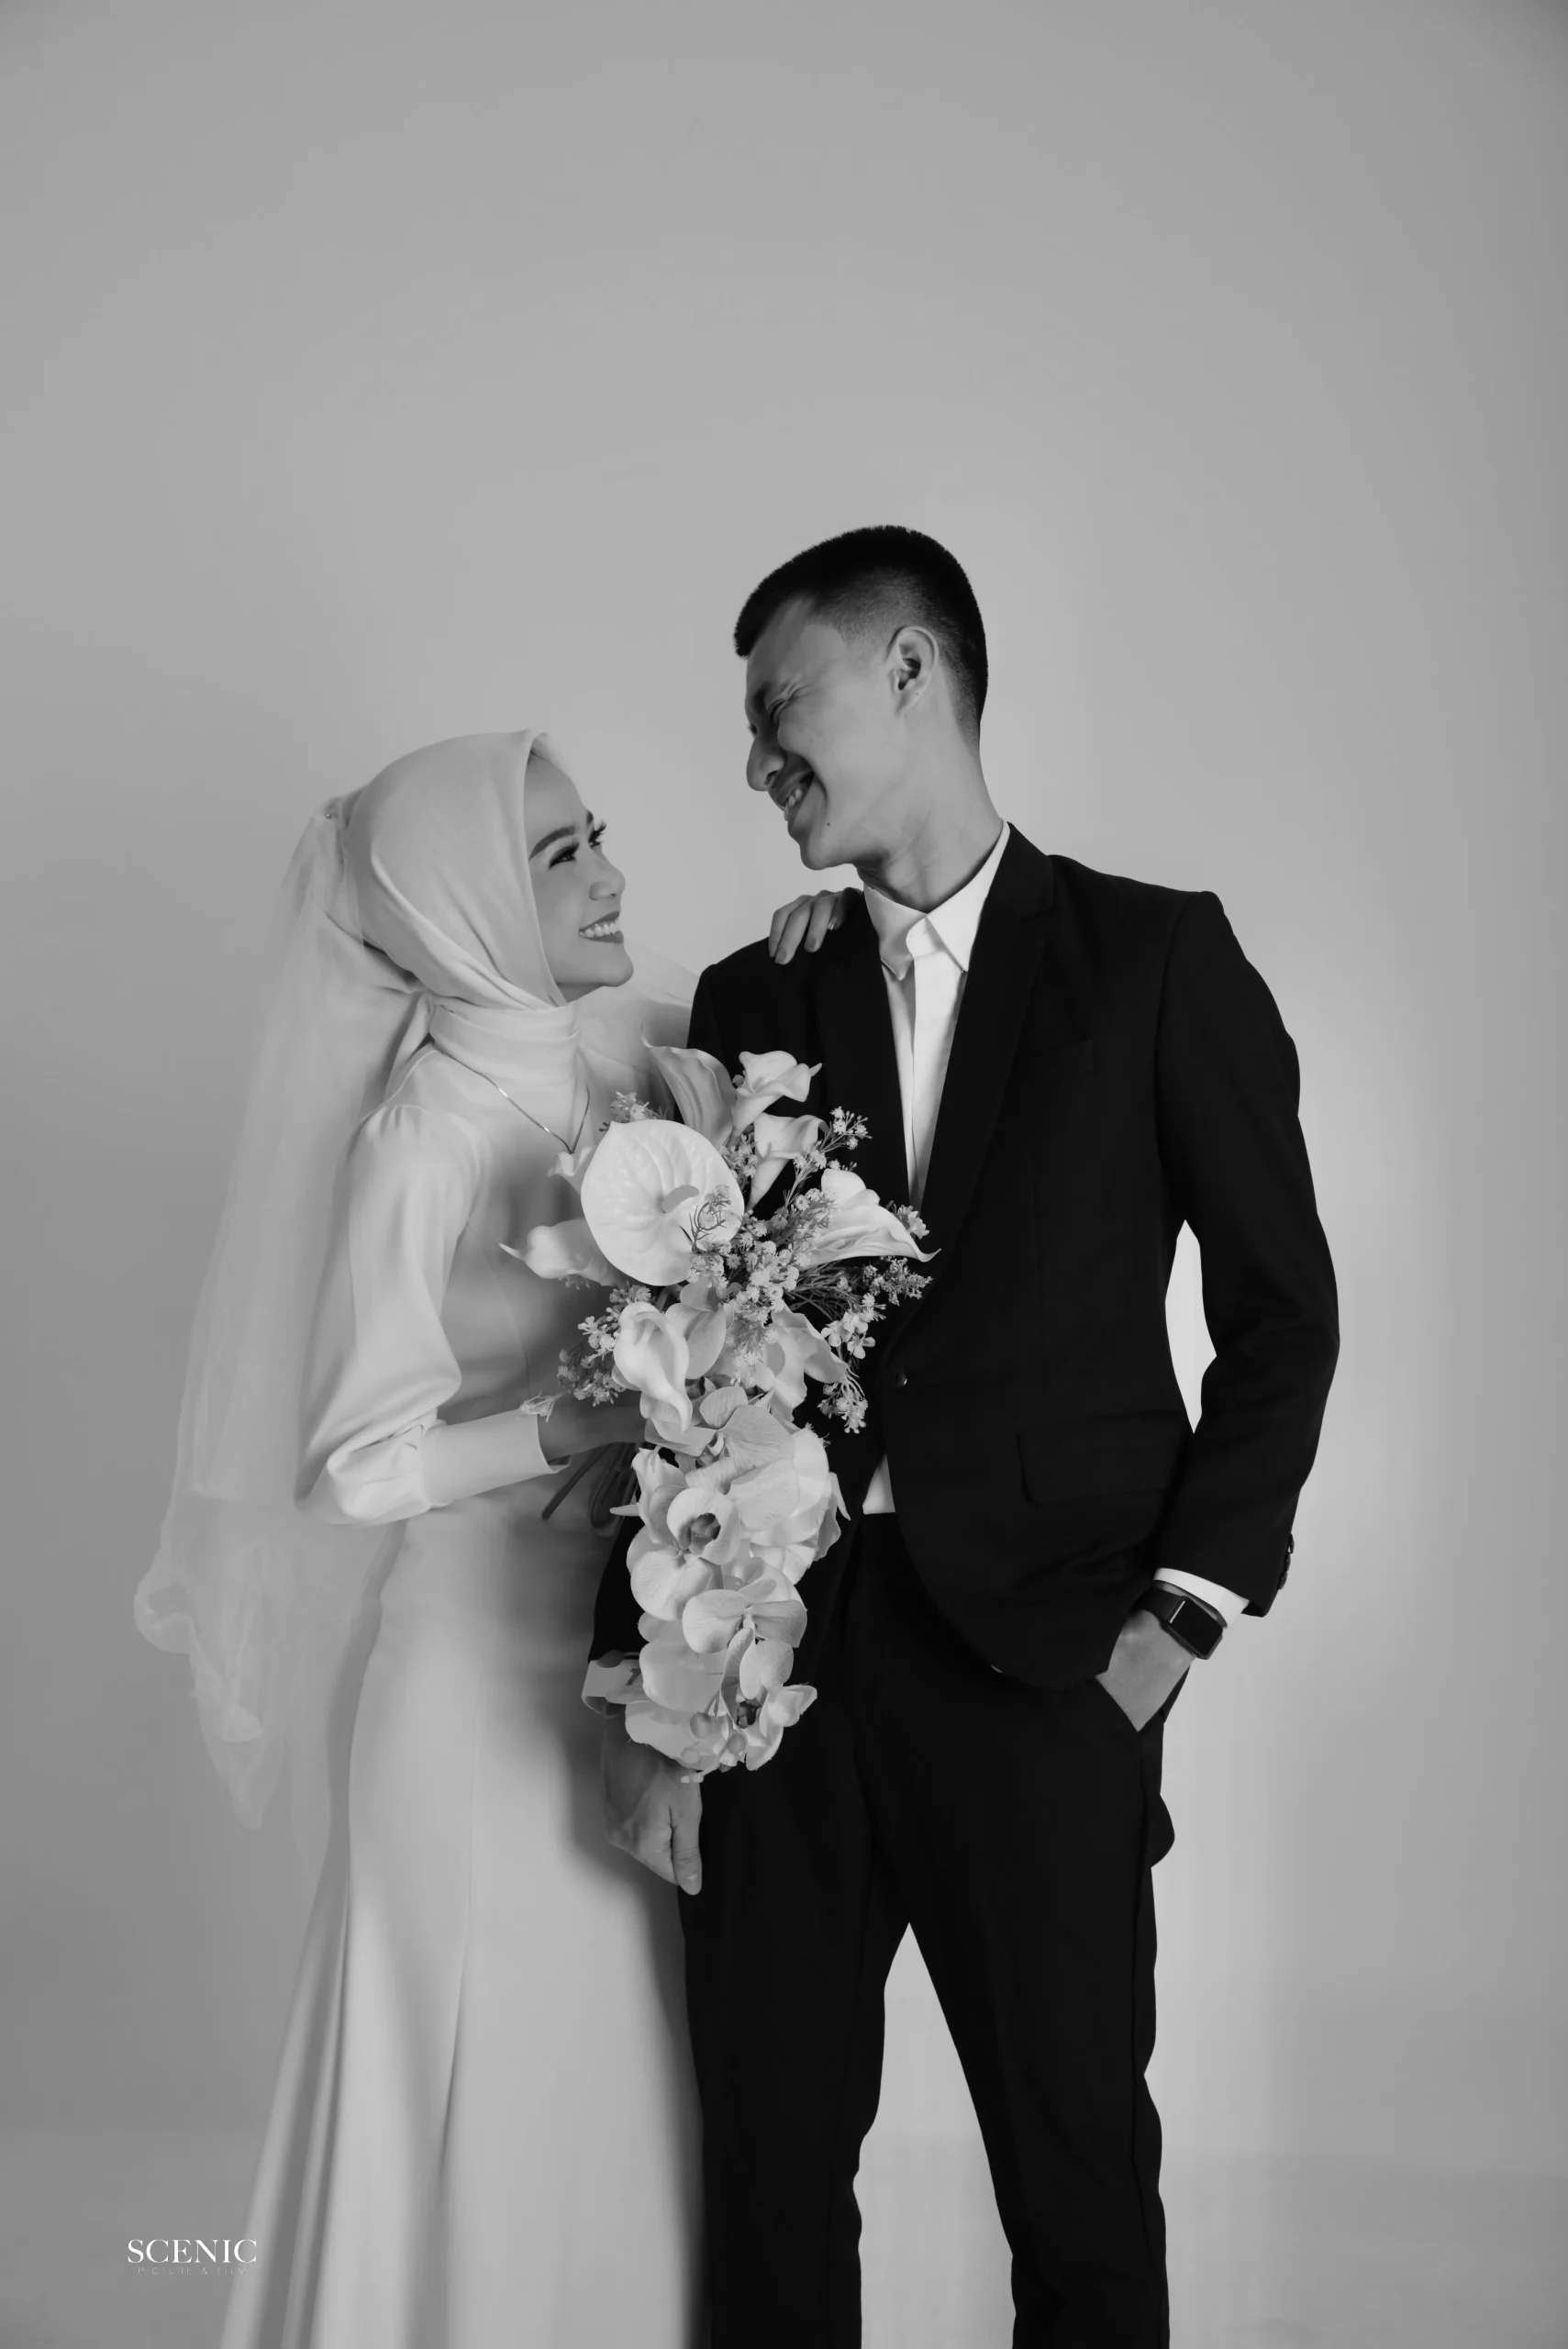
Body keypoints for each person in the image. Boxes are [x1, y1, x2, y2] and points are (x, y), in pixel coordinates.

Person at [592, 527, 1340, 2348]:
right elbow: (692, 1358)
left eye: (779, 706)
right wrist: (659, 1687)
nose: (754, 759)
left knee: (1077, 2196)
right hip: (777, 1670)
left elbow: (1283, 1315)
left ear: (910, 670)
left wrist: (1175, 1618)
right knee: (768, 2181)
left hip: (1052, 1667)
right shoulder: (759, 997)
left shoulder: (1154, 960)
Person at [138, 732, 711, 2348]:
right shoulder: (424, 1138)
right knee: (461, 2057)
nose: (609, 877)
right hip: (467, 1679)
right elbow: (348, 1466)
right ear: (464, 908)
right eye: (556, 857)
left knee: (614, 2072)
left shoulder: (635, 1061)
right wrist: (567, 1428)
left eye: (596, 836)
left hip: (625, 1667)